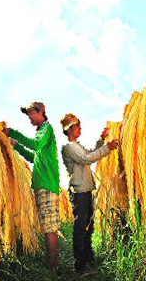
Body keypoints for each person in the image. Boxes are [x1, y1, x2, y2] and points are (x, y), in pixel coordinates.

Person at [3, 102, 61, 277]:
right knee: (46, 227)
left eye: (30, 113)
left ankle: (53, 269)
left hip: (47, 186)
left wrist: (13, 133)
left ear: (41, 111)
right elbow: (33, 157)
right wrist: (16, 146)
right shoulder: (40, 134)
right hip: (41, 186)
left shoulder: (46, 129)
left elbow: (35, 146)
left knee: (50, 228)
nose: (29, 117)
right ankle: (52, 266)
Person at [60, 113, 118, 274]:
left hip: (86, 190)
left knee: (88, 225)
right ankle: (80, 264)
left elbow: (91, 152)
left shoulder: (77, 146)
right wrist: (107, 147)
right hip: (79, 193)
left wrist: (101, 140)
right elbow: (87, 159)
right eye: (77, 125)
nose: (80, 127)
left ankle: (87, 255)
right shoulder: (69, 148)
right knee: (80, 227)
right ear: (70, 129)